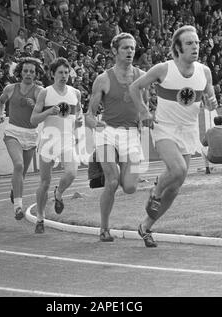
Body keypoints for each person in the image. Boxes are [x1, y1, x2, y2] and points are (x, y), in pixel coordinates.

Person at [129, 25, 218, 247]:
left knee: (177, 185)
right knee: (178, 169)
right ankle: (156, 190)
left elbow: (210, 96)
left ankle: (146, 226)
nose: (195, 47)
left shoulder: (204, 71)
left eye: (197, 42)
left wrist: (212, 101)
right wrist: (143, 111)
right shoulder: (163, 69)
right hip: (165, 127)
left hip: (188, 130)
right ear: (177, 48)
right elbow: (134, 88)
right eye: (189, 43)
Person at [85, 32, 147, 242]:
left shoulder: (141, 76)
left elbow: (143, 106)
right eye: (125, 48)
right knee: (112, 182)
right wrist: (94, 122)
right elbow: (89, 115)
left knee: (130, 187)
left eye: (132, 48)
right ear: (114, 51)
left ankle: (115, 170)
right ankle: (104, 228)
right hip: (107, 132)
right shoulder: (103, 79)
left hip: (131, 134)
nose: (130, 51)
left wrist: (143, 119)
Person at [30, 57, 83, 234]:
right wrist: (48, 111)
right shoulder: (45, 93)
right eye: (60, 72)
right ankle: (40, 217)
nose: (63, 76)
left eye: (66, 72)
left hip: (67, 140)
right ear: (52, 74)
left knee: (72, 172)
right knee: (44, 182)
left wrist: (79, 121)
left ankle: (59, 194)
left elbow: (78, 115)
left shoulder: (75, 93)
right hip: (48, 141)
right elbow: (33, 119)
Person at [0, 58, 44, 221]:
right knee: (18, 164)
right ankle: (18, 206)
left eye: (32, 71)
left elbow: (44, 112)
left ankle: (14, 188)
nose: (28, 74)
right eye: (25, 71)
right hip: (13, 132)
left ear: (36, 73)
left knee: (22, 173)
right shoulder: (10, 88)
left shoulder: (39, 91)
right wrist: (0, 114)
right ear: (20, 72)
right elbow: (0, 101)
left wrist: (35, 105)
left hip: (31, 134)